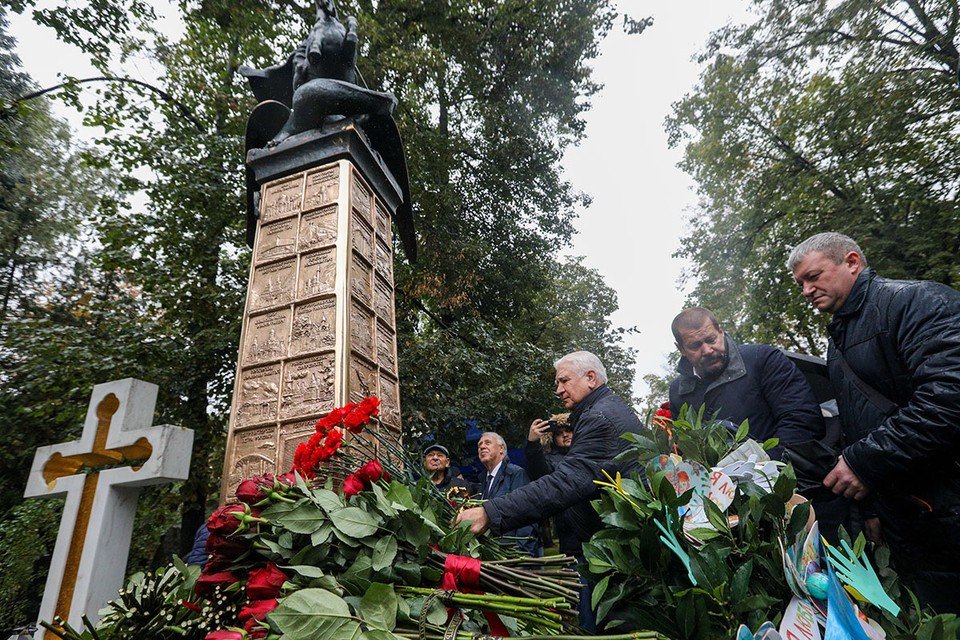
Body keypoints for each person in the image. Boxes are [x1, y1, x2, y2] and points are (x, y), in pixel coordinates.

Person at [789, 231, 960, 613]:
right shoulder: (839, 341)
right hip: (910, 517)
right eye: (801, 283)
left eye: (814, 276)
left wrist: (863, 461)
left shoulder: (916, 302)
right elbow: (861, 424)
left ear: (852, 262)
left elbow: (949, 398)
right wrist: (872, 508)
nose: (806, 290)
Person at [456, 351, 644, 631]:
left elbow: (565, 483)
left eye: (564, 381)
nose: (558, 390)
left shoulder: (600, 419)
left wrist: (489, 512)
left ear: (590, 378)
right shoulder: (601, 411)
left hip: (612, 553)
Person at [668, 307, 826, 460]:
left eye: (711, 339)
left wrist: (763, 467)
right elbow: (689, 450)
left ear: (721, 331)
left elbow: (802, 419)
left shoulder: (763, 359)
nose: (708, 350)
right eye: (695, 345)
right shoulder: (678, 393)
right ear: (680, 349)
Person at [476, 432, 543, 557]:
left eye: (487, 443)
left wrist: (521, 555)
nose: (482, 447)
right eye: (479, 445)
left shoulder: (516, 474)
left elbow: (527, 515)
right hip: (494, 556)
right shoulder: (483, 481)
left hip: (514, 557)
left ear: (501, 448)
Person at [525, 415, 575, 553]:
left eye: (568, 430)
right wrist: (533, 443)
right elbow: (538, 473)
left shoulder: (589, 451)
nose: (565, 435)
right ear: (553, 439)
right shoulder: (550, 460)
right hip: (570, 533)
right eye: (559, 433)